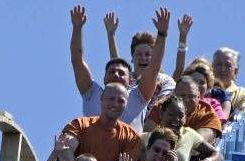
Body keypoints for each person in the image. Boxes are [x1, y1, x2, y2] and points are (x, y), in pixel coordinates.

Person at [70, 5, 170, 134]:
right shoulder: (92, 93)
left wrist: (162, 35)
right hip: (93, 152)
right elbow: (77, 62)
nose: (116, 75)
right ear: (104, 78)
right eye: (112, 72)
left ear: (130, 81)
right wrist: (77, 28)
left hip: (128, 153)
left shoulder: (138, 96)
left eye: (122, 73)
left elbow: (154, 67)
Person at [103, 12, 190, 103]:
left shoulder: (165, 80)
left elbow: (179, 69)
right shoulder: (128, 81)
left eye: (148, 55)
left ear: (156, 57)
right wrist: (111, 34)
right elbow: (117, 65)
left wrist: (181, 37)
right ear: (132, 59)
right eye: (139, 54)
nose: (143, 58)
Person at [58, 83, 142, 161]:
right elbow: (64, 149)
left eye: (121, 101)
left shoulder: (132, 137)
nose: (115, 104)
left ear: (126, 104)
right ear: (101, 98)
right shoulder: (80, 124)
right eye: (111, 99)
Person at [143, 96, 223, 161]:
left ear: (185, 117)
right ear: (162, 114)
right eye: (171, 114)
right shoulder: (145, 138)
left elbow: (218, 155)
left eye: (180, 116)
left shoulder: (189, 134)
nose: (176, 119)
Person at [145, 76, 222, 145]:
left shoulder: (208, 114)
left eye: (191, 96)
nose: (186, 100)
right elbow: (148, 138)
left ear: (198, 96)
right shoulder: (161, 106)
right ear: (173, 94)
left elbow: (195, 143)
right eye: (182, 95)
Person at [212, 47, 245, 120]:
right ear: (212, 67)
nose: (222, 69)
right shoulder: (202, 88)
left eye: (228, 65)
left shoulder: (242, 93)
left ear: (235, 70)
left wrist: (236, 118)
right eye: (219, 64)